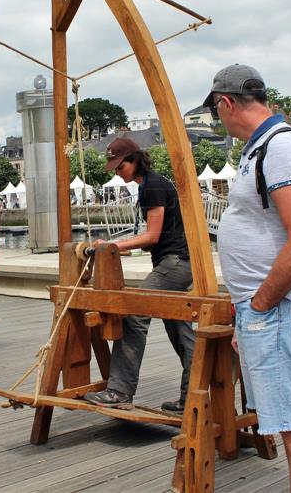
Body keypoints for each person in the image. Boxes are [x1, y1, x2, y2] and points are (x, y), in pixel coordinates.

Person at [205, 64, 291, 493]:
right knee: (283, 418)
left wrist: (258, 306)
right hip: (262, 310)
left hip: (278, 308)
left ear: (227, 103)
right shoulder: (259, 148)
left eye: (217, 111)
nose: (219, 119)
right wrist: (246, 315)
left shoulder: (281, 147)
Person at [84, 138, 194, 413]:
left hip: (176, 263)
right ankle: (192, 396)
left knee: (134, 314)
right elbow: (153, 239)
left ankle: (119, 391)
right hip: (178, 262)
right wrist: (120, 249)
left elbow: (152, 235)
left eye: (119, 166)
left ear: (134, 161)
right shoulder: (150, 184)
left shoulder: (153, 186)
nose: (117, 172)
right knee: (179, 328)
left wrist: (110, 246)